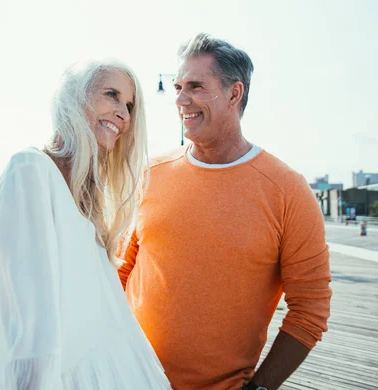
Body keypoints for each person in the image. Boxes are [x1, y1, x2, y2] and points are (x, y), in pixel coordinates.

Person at [118, 33, 332, 390]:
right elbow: (124, 271)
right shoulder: (150, 174)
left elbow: (309, 311)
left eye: (196, 86)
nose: (181, 100)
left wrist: (259, 388)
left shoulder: (287, 190)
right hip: (127, 376)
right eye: (177, 86)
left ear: (235, 93)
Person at [0, 59, 171, 389]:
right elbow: (31, 333)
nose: (124, 115)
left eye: (129, 105)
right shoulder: (30, 169)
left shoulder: (90, 202)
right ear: (74, 98)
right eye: (111, 94)